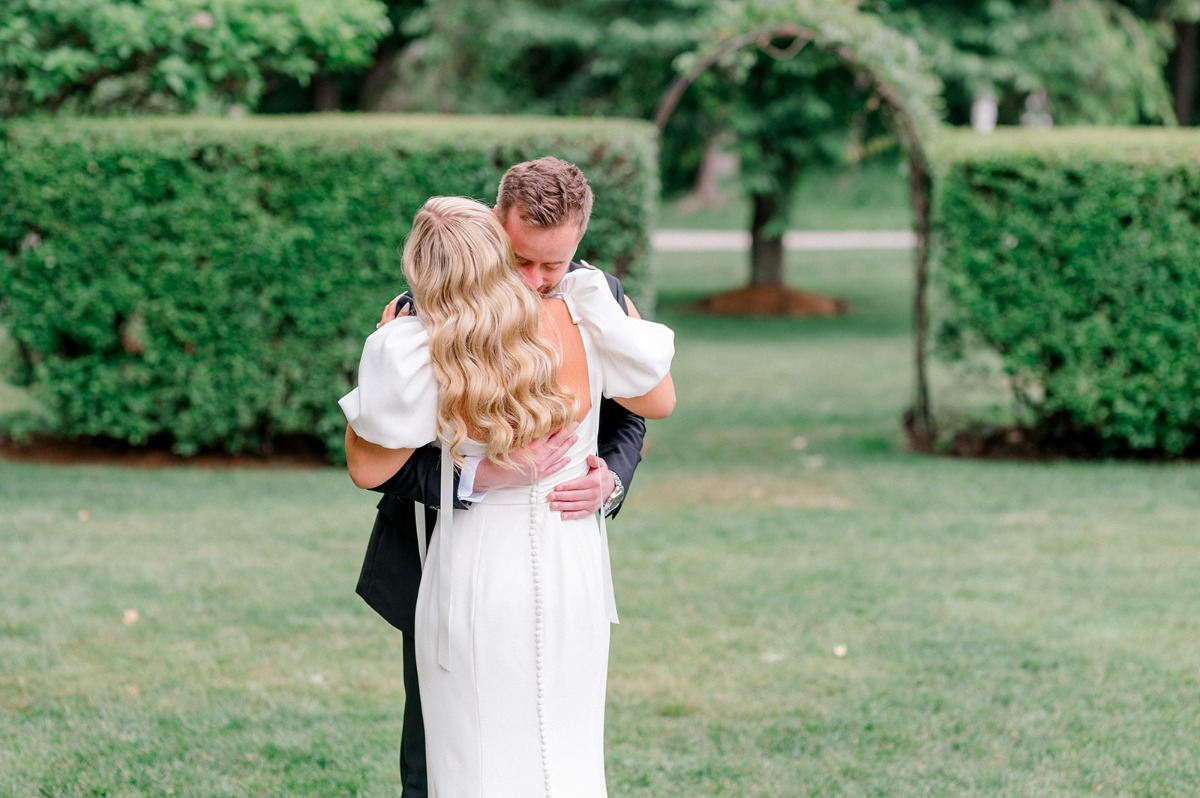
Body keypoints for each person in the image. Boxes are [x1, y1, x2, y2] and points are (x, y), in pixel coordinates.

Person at [340, 195, 674, 796]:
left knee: (538, 737)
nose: (536, 280)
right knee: (441, 747)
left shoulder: (595, 299)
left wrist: (611, 479)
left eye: (555, 264)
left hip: (562, 547)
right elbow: (376, 465)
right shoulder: (420, 318)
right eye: (521, 259)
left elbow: (631, 418)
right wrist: (471, 480)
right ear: (497, 230)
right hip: (443, 548)